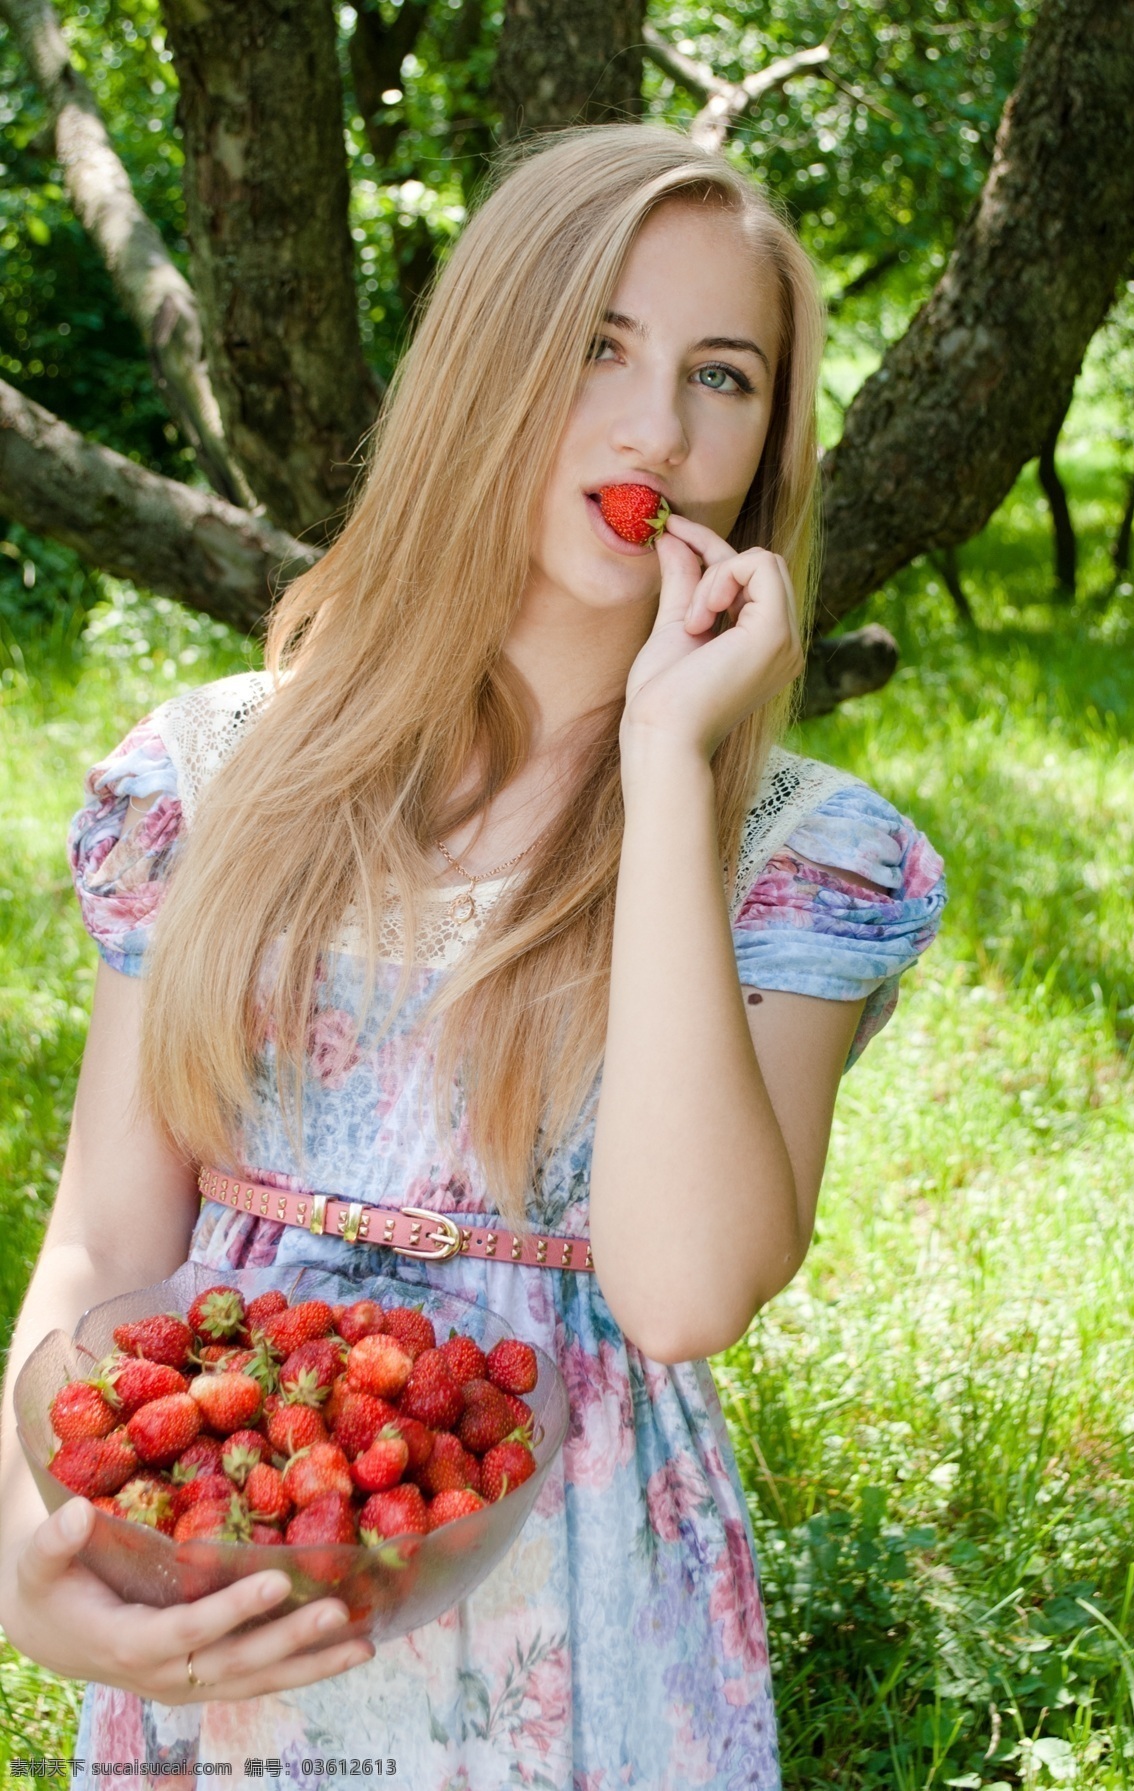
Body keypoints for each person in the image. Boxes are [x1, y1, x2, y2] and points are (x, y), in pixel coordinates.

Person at [0, 123, 947, 1787]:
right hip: (225, 1582)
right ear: (485, 357)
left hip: (584, 1630)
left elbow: (682, 1288)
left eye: (722, 376)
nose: (659, 426)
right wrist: (29, 1560)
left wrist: (666, 768)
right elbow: (101, 1252)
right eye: (598, 342)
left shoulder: (802, 855)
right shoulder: (213, 778)